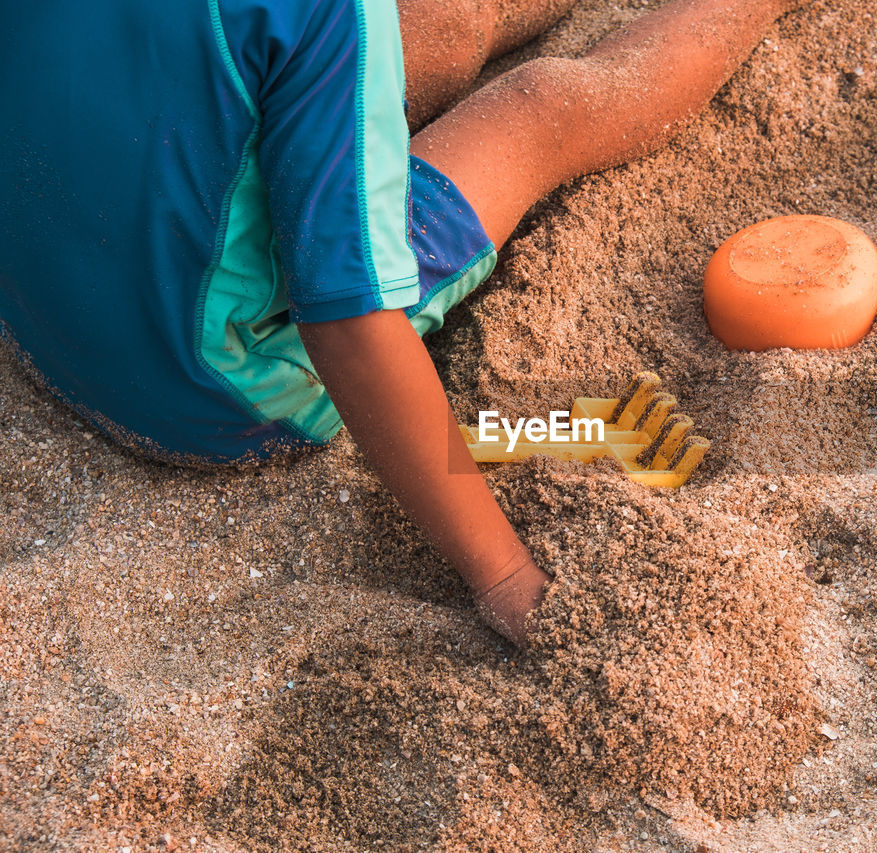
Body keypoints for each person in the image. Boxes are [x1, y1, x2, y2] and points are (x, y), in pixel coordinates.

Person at [0, 0, 801, 646]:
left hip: (35, 290)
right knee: (541, 108)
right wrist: (503, 574)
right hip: (210, 375)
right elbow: (348, 324)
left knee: (442, 26)